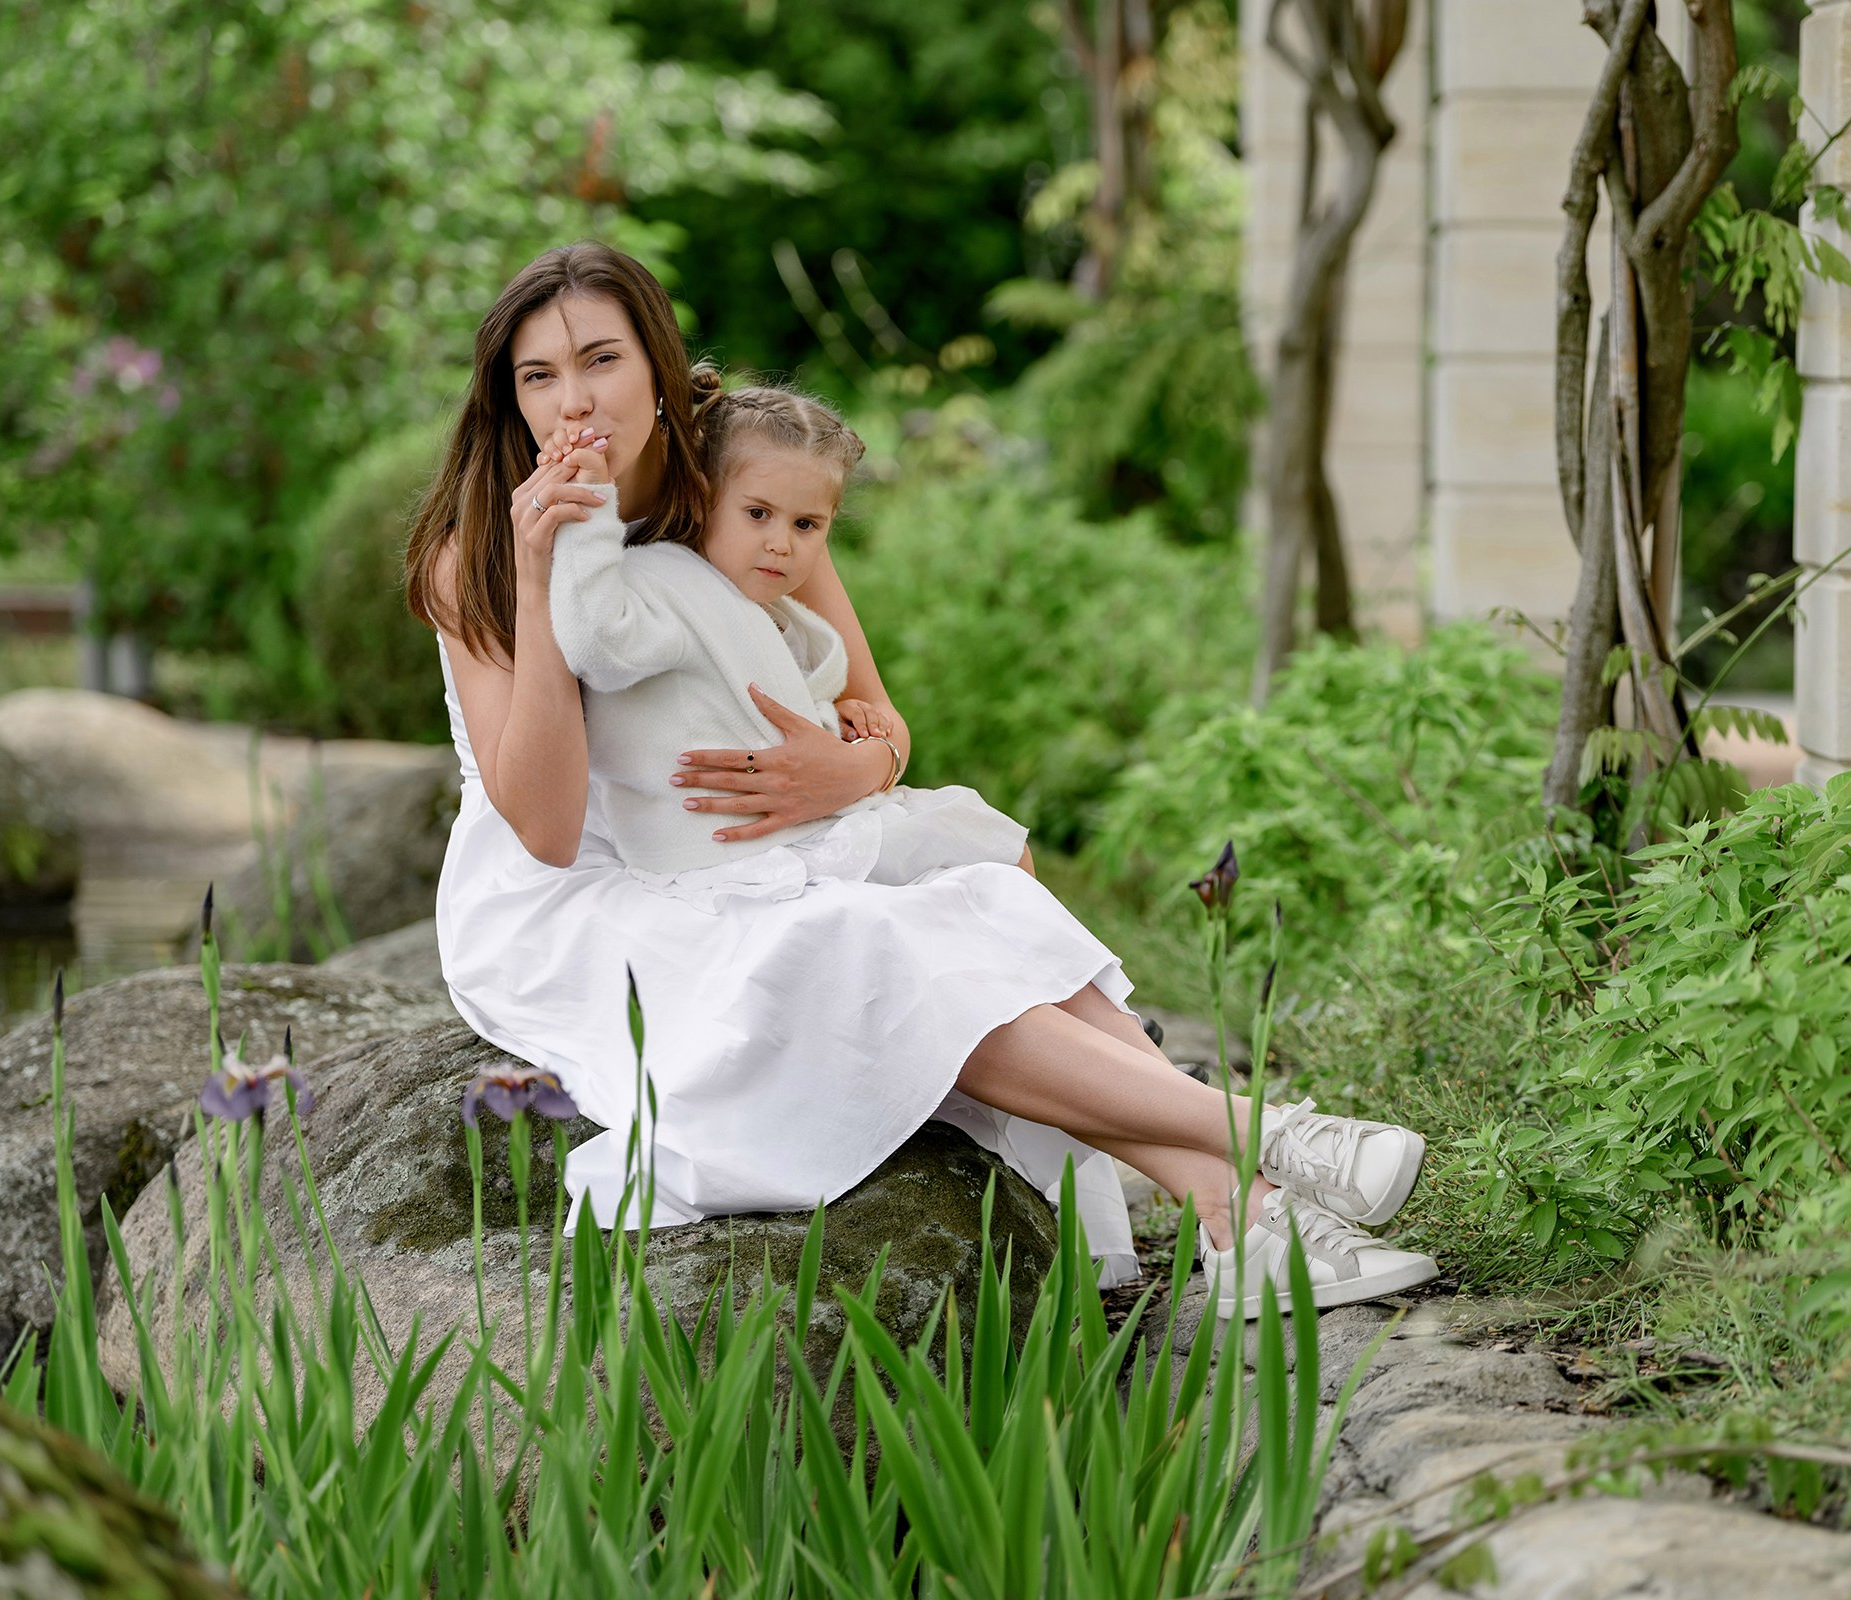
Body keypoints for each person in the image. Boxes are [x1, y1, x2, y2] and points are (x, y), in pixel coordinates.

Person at [403, 241, 1438, 1317]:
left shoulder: (739, 466)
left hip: (763, 839)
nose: (576, 400)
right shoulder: (481, 542)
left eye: (601, 360)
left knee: (982, 894)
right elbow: (549, 826)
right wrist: (539, 565)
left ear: (659, 366)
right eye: (539, 376)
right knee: (857, 947)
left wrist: (843, 774)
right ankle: (1268, 1143)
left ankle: (1245, 1218)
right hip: (583, 890)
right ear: (508, 397)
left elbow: (876, 713)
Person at [541, 373, 1029, 894]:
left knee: (1002, 852)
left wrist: (841, 727)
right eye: (758, 514)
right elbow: (596, 644)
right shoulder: (661, 582)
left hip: (795, 827)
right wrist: (588, 504)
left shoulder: (762, 607)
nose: (781, 543)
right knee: (995, 854)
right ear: (704, 497)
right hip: (728, 851)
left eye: (806, 525)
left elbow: (751, 709)